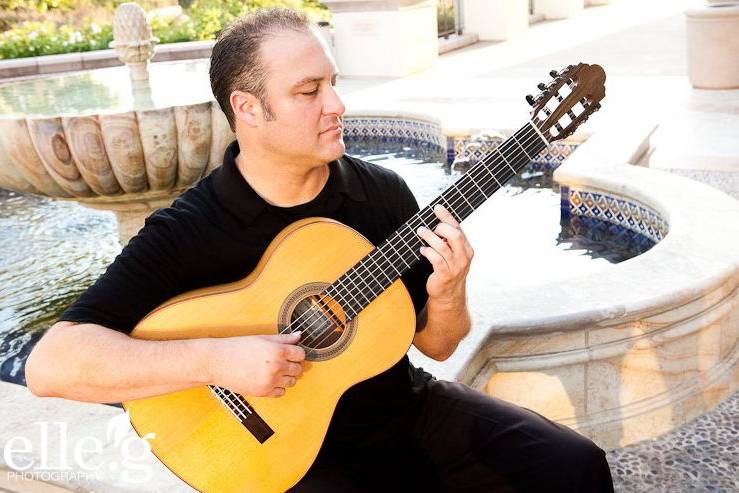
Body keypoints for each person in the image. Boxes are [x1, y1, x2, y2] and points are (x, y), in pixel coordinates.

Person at [26, 8, 614, 492]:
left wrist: (450, 291)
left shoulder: (377, 191)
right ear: (248, 109)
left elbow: (437, 344)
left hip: (404, 412)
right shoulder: (190, 228)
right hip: (294, 456)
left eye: (333, 83)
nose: (335, 104)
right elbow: (51, 365)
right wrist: (215, 359)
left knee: (574, 467)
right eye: (309, 91)